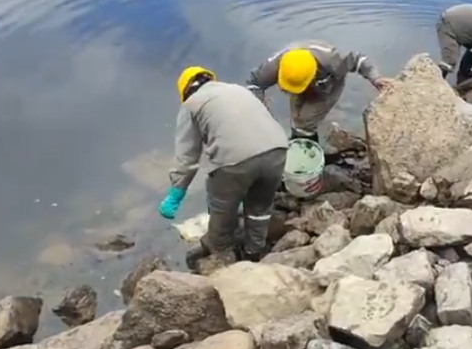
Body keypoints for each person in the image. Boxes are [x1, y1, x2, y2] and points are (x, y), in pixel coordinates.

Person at [158, 66, 289, 270]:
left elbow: (187, 157)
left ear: (185, 92)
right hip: (277, 149)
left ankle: (222, 256)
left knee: (222, 210)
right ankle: (254, 252)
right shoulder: (238, 89)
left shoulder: (191, 105)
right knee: (260, 207)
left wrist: (177, 191)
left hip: (234, 161)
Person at [246, 40, 393, 143]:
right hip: (300, 75)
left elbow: (359, 59)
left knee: (305, 123)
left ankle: (308, 146)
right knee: (296, 117)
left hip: (328, 86)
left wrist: (375, 78)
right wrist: (261, 109)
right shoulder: (277, 64)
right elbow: (254, 84)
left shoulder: (334, 61)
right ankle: (298, 137)